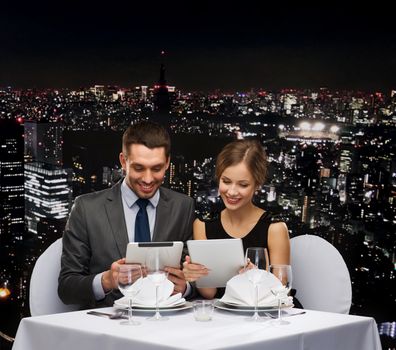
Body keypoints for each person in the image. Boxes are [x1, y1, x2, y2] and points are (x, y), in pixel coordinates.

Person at [58, 121, 195, 308]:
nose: (148, 179)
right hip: (110, 327)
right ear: (123, 161)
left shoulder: (183, 206)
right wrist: (107, 280)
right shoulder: (86, 209)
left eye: (156, 168)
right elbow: (66, 289)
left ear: (168, 163)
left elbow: (196, 277)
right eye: (139, 168)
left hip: (166, 324)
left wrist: (185, 287)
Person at [183, 139, 290, 300]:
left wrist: (258, 279)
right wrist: (195, 274)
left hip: (264, 317)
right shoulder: (203, 225)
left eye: (243, 185)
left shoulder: (274, 228)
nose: (232, 192)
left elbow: (281, 293)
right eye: (226, 181)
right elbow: (209, 293)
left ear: (257, 185)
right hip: (222, 317)